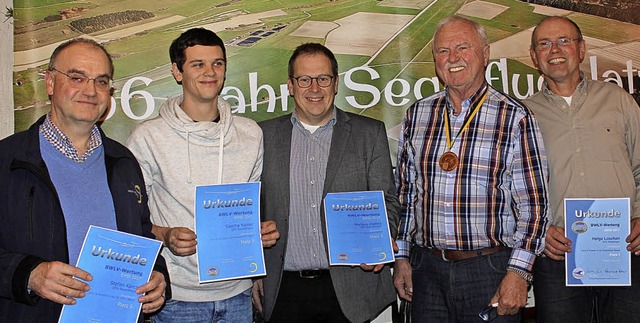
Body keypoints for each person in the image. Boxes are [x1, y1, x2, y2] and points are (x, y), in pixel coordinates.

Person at [0, 38, 169, 322]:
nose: (90, 91)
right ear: (50, 83)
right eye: (77, 77)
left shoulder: (124, 161)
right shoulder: (7, 161)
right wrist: (29, 274)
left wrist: (158, 277)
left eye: (101, 81)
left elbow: (142, 237)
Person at [393, 15, 549, 322]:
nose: (452, 58)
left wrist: (519, 273)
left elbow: (535, 207)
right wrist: (401, 257)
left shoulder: (514, 117)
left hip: (489, 269)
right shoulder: (418, 115)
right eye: (442, 51)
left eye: (463, 47)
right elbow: (406, 195)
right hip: (427, 270)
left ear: (486, 53)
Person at [125, 28, 279, 323]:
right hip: (178, 298)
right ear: (177, 71)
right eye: (198, 64)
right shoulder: (147, 137)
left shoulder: (250, 134)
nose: (210, 72)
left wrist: (258, 232)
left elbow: (249, 208)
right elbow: (130, 218)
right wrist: (165, 236)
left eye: (217, 63)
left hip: (237, 293)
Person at [252, 43, 400, 323]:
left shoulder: (369, 133)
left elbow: (388, 202)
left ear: (336, 84)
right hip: (283, 289)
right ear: (291, 86)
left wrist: (377, 240)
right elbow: (253, 208)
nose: (314, 88)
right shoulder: (262, 136)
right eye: (304, 79)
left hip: (351, 289)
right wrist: (254, 267)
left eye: (323, 79)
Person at [524, 16, 640, 322]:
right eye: (544, 44)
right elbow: (514, 188)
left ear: (582, 49)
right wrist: (540, 231)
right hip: (558, 253)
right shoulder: (524, 115)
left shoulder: (618, 101)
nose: (555, 49)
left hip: (624, 248)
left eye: (564, 40)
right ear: (534, 57)